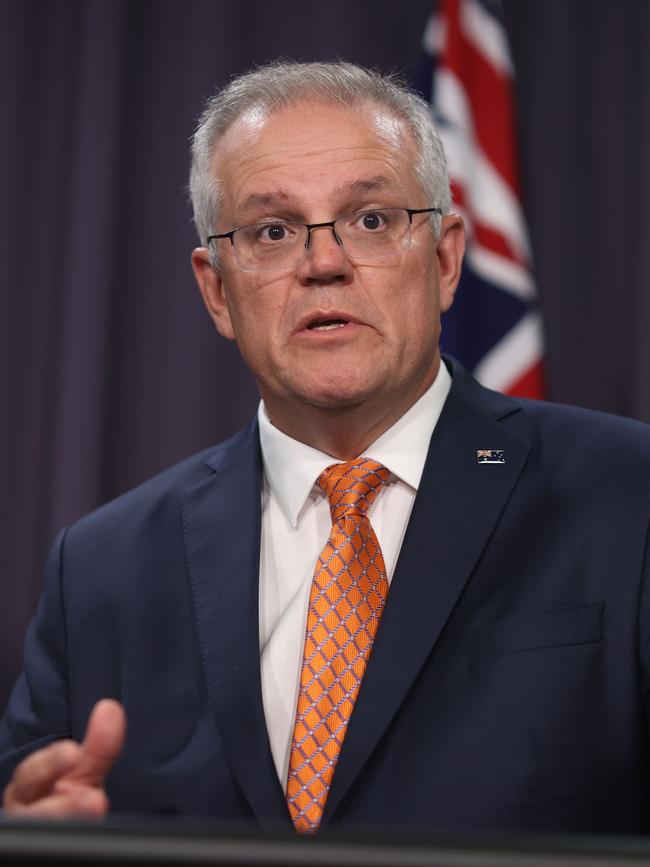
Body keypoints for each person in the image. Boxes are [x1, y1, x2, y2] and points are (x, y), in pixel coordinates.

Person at [1, 60, 650, 834]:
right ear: (217, 291)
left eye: (371, 219)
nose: (324, 262)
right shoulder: (100, 569)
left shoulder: (625, 497)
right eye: (272, 232)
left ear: (444, 261)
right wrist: (34, 837)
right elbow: (42, 812)